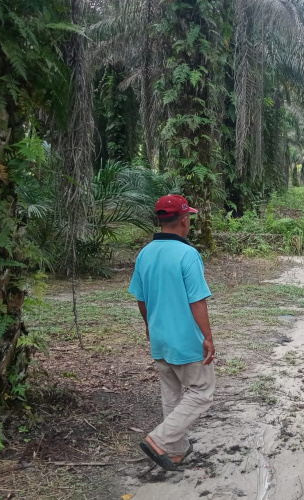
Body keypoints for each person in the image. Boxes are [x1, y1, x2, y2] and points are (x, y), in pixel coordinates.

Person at [128, 194, 216, 471]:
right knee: (202, 391)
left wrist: (148, 324)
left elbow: (140, 298)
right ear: (184, 220)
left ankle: (176, 450)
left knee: (172, 394)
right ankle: (159, 439)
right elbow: (197, 300)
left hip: (160, 337)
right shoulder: (187, 254)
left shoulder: (145, 253)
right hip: (184, 339)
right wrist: (208, 337)